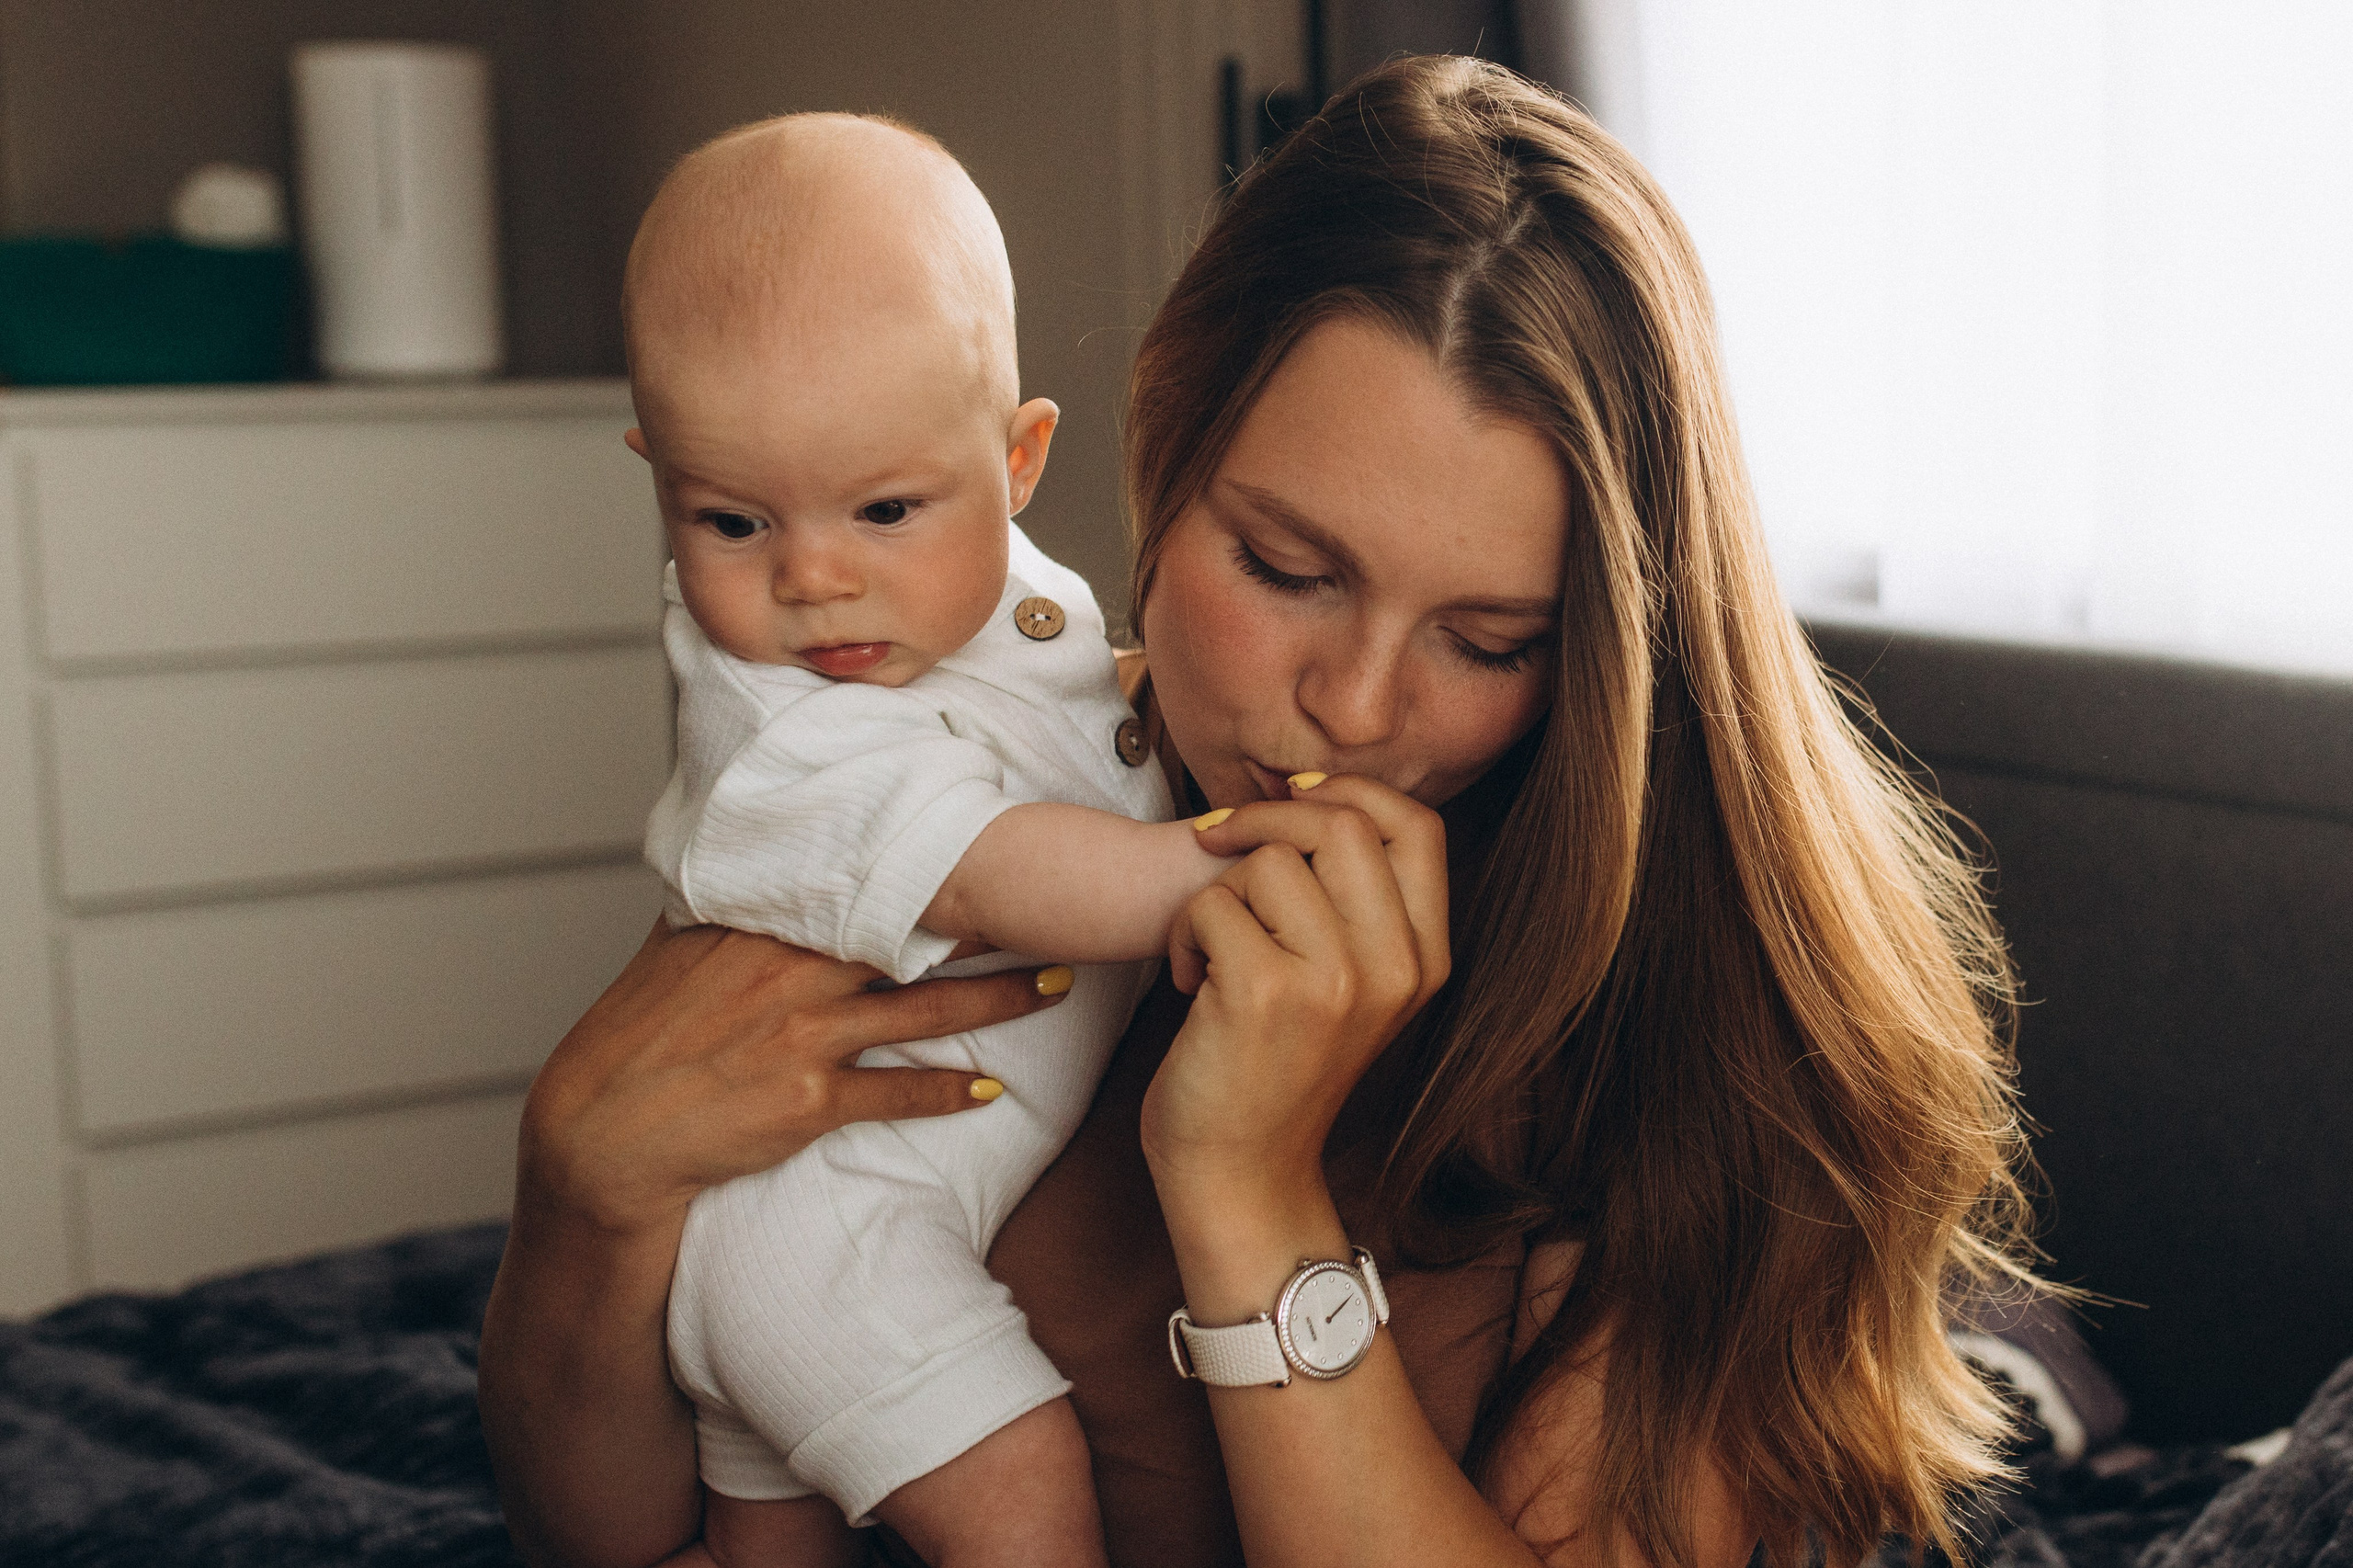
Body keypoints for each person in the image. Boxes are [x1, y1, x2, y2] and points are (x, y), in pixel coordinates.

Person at [482, 55, 2034, 1568]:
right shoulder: (973, 776)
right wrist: (582, 1194)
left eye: (1488, 641)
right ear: (1162, 440)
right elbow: (617, 1526)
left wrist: (1246, 1189)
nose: (1357, 711)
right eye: (1286, 570)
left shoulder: (1741, 1058)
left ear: (1612, 648)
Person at [622, 115, 1250, 1566]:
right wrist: (1203, 872)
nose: (815, 580)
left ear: (1018, 458)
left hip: (820, 1228)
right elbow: (989, 866)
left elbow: (1074, 723)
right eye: (728, 521)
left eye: (886, 508)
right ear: (660, 475)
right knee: (1025, 1494)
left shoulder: (1005, 602)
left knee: (771, 1536)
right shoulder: (774, 731)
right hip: (830, 1238)